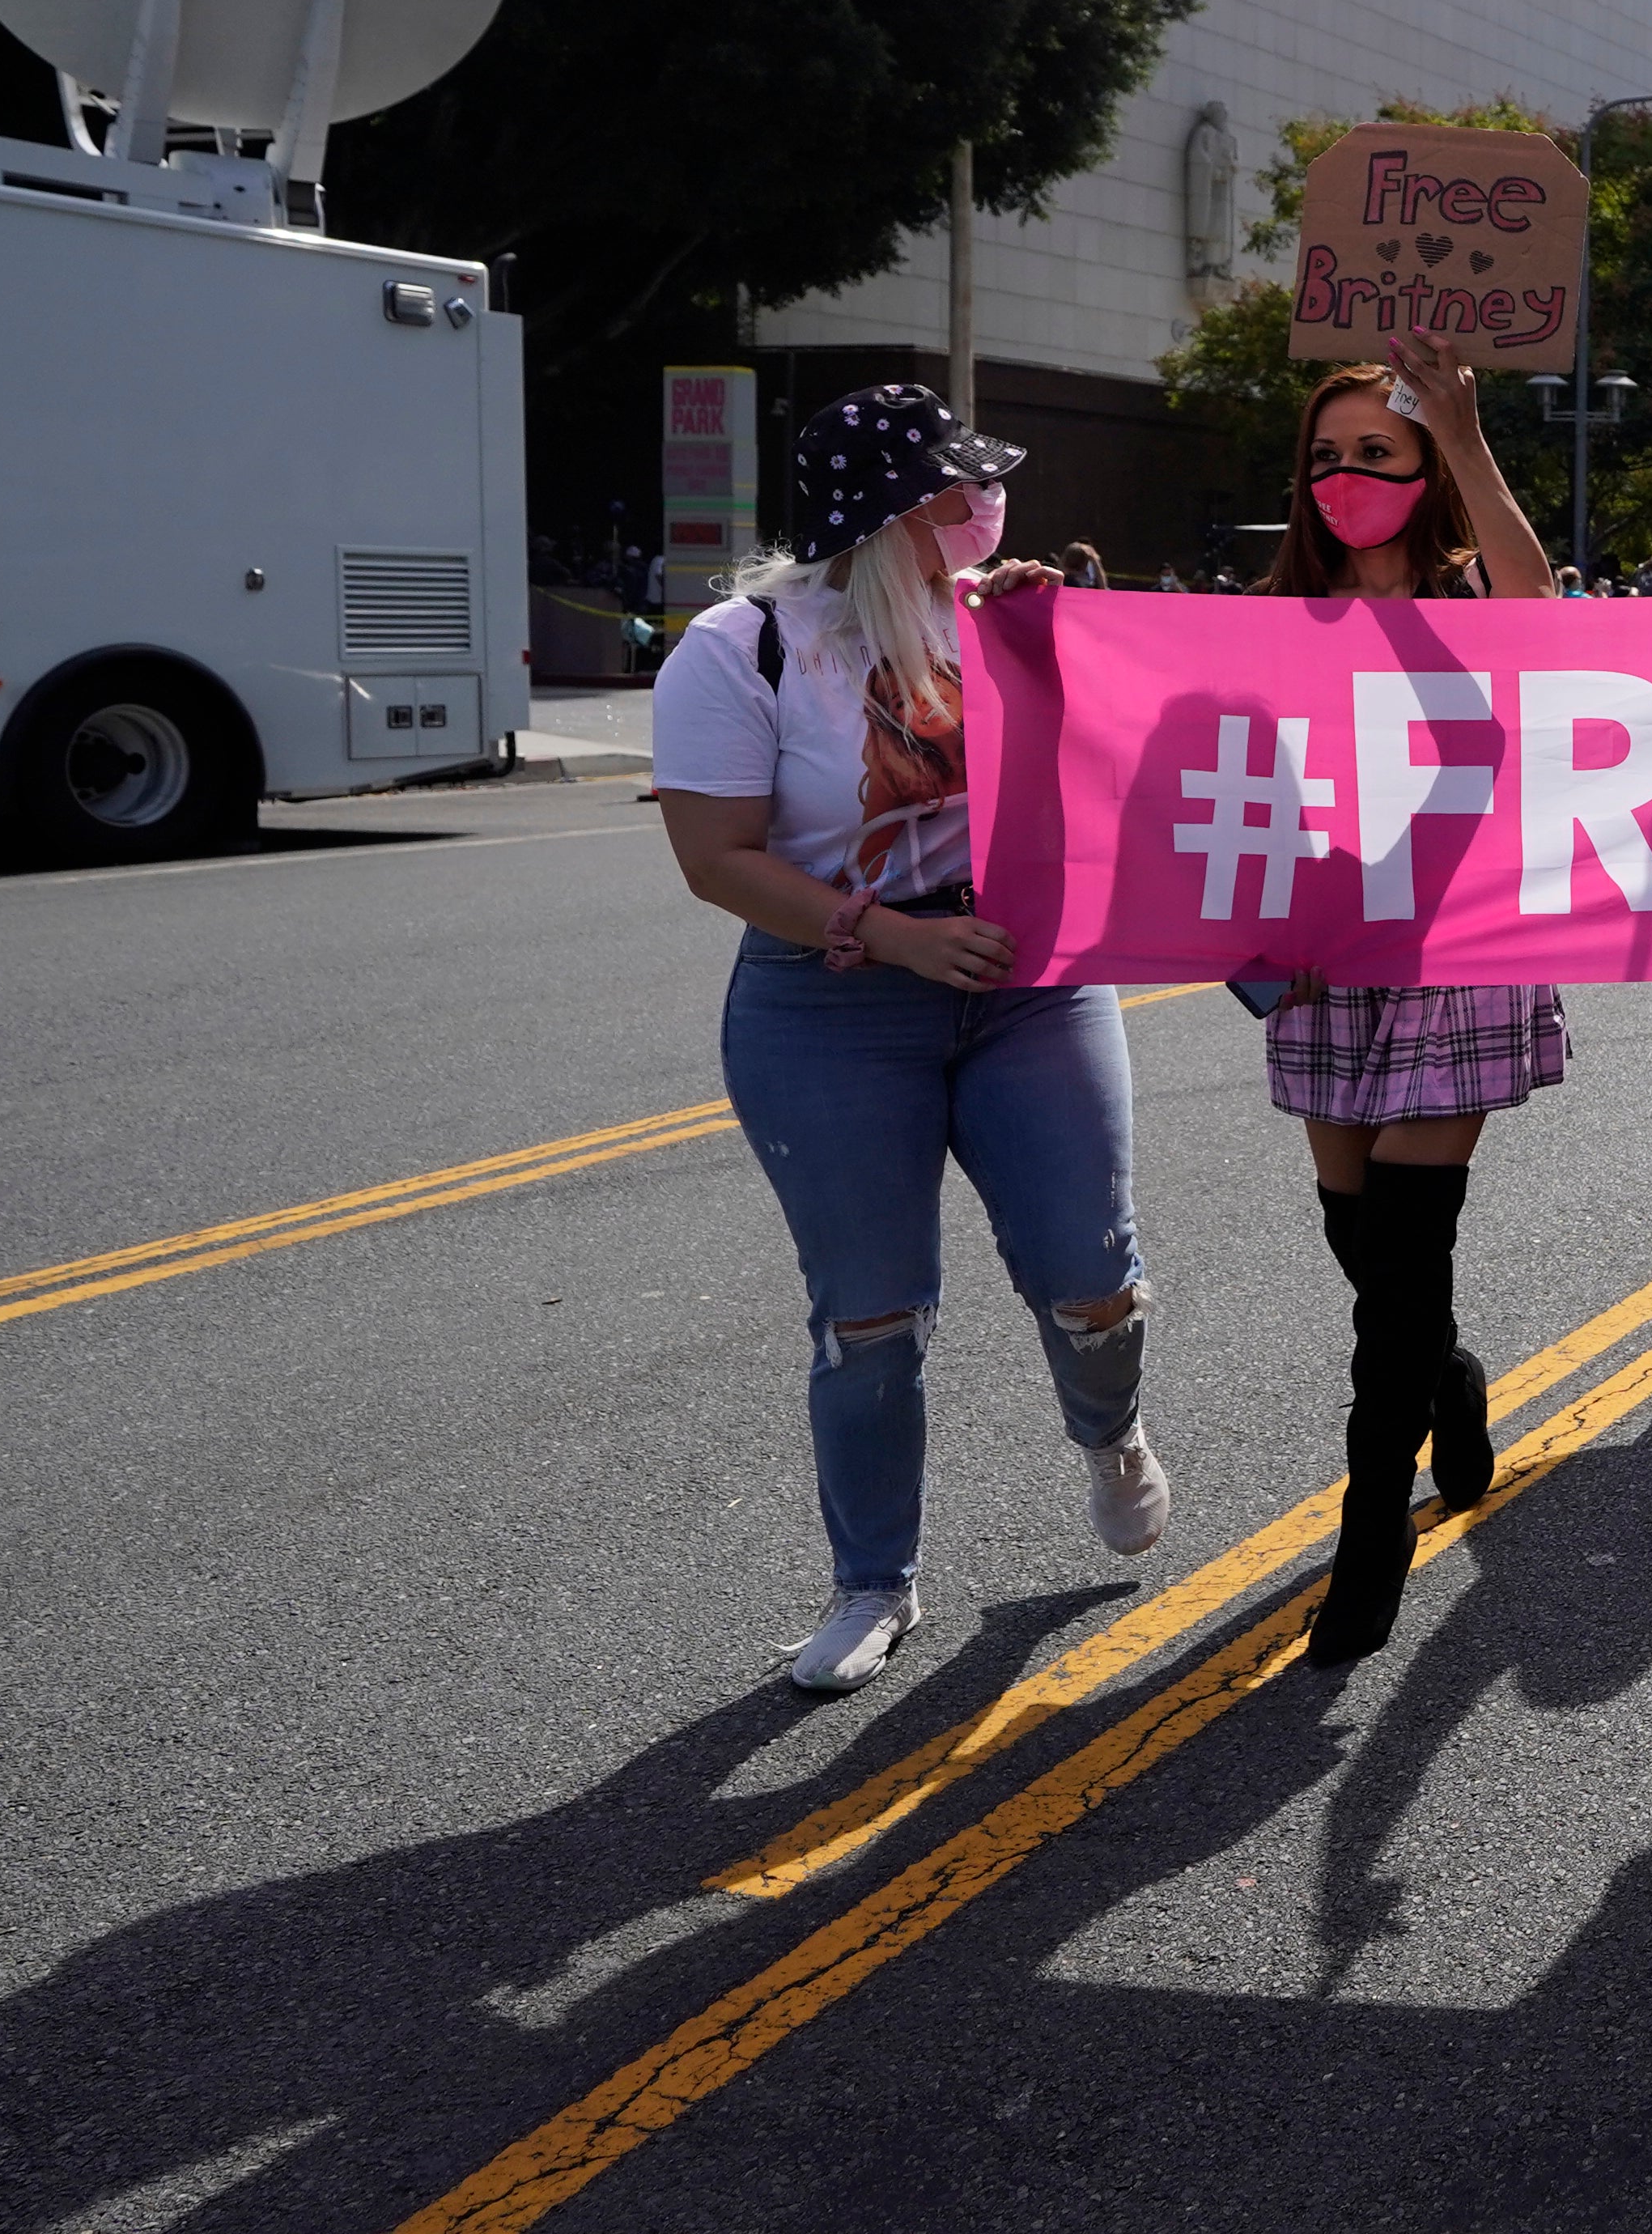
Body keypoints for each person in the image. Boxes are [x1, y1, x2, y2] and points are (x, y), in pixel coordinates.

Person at [651, 384, 1163, 1697]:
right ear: (886, 519)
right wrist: (890, 937)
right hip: (830, 1001)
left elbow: (1139, 758)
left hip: (1030, 977)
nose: (986, 505)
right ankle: (873, 1583)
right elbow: (717, 861)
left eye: (983, 485)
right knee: (870, 1318)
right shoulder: (739, 647)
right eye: (955, 491)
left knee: (1088, 1272)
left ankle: (1109, 1436)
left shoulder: (1003, 615)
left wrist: (1063, 639)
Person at [1257, 325, 1562, 1667]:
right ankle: (1449, 1380)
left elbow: (1543, 616)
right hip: (1324, 964)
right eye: (1324, 457)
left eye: (1373, 453)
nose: (1343, 476)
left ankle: (1371, 1540)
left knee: (1402, 1264)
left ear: (1427, 466)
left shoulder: (1468, 602)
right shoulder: (1273, 624)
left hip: (1458, 954)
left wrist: (1471, 435)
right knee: (1360, 1240)